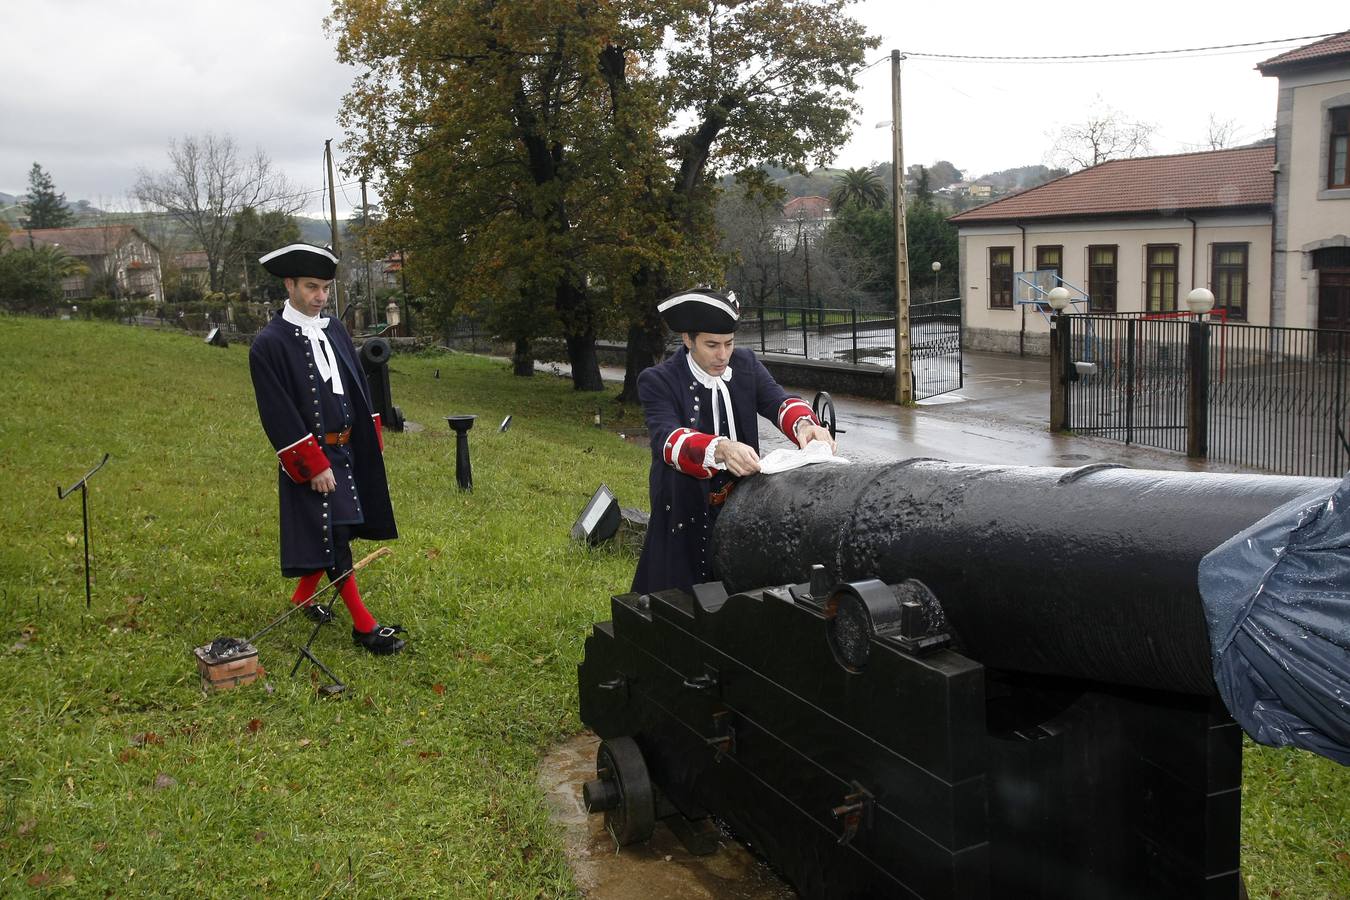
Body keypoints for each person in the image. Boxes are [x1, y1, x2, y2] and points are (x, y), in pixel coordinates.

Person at [248, 243, 407, 655]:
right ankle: (364, 625)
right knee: (335, 535)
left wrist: (370, 437)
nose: (320, 297)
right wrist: (314, 465)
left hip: (349, 448)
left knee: (342, 525)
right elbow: (278, 413)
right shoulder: (268, 345)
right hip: (314, 459)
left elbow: (355, 383)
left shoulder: (334, 328)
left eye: (325, 289)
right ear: (290, 285)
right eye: (312, 287)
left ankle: (303, 597)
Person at [631, 287, 836, 595]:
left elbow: (778, 401)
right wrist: (722, 448)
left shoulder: (746, 364)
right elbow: (667, 441)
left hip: (743, 506)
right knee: (677, 598)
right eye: (712, 345)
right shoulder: (657, 380)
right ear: (688, 340)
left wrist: (805, 424)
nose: (723, 355)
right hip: (684, 508)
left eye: (729, 344)